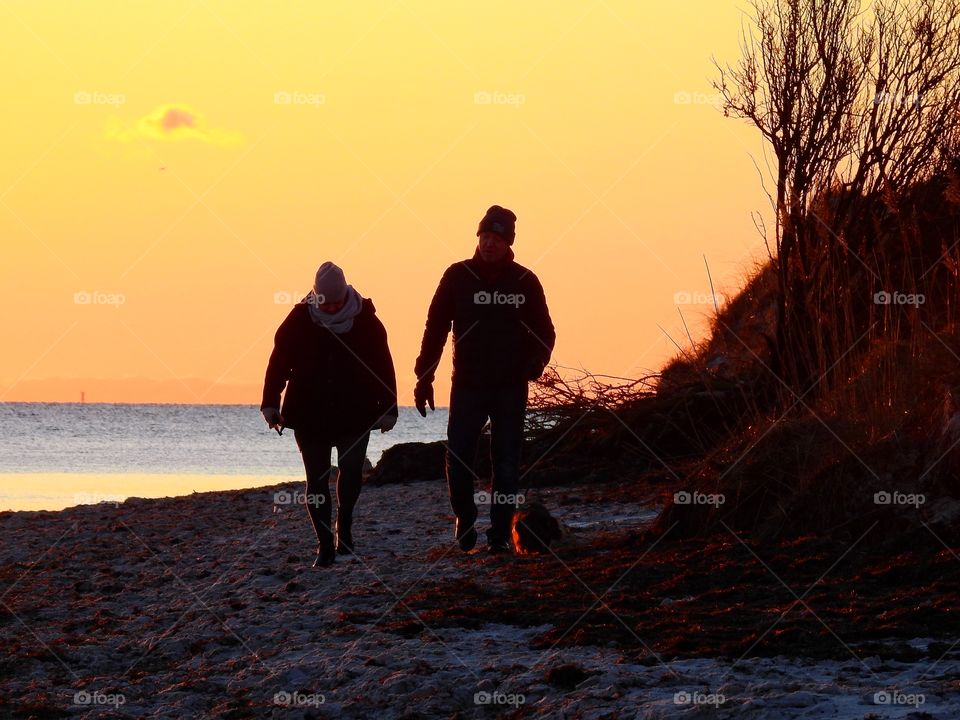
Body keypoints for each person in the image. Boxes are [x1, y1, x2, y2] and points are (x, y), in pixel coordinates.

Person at [414, 205, 555, 554]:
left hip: (510, 386)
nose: (490, 244)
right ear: (478, 238)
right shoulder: (457, 276)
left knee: (506, 461)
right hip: (468, 385)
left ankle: (499, 533)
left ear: (508, 243)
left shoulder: (525, 281)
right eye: (485, 237)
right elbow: (435, 329)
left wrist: (534, 364)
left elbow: (544, 332)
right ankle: (464, 515)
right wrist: (424, 376)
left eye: (497, 238)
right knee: (459, 456)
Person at [261, 262, 398, 567]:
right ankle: (324, 545)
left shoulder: (366, 320)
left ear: (346, 293)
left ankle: (344, 526)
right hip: (309, 414)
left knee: (351, 470)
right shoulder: (297, 321)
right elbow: (277, 365)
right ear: (315, 296)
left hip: (356, 411)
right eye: (326, 302)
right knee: (316, 479)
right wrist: (270, 404)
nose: (333, 307)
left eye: (337, 301)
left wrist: (389, 408)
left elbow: (383, 367)